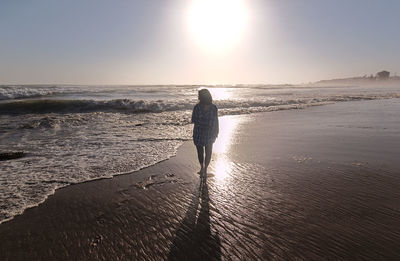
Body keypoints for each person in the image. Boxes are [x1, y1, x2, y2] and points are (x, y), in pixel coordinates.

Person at [191, 89, 219, 175]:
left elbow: (193, 120)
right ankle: (203, 168)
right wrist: (215, 130)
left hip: (205, 133)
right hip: (203, 132)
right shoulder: (199, 107)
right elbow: (193, 120)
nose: (198, 97)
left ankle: (204, 168)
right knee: (205, 151)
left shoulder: (211, 107)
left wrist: (216, 131)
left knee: (205, 151)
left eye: (199, 96)